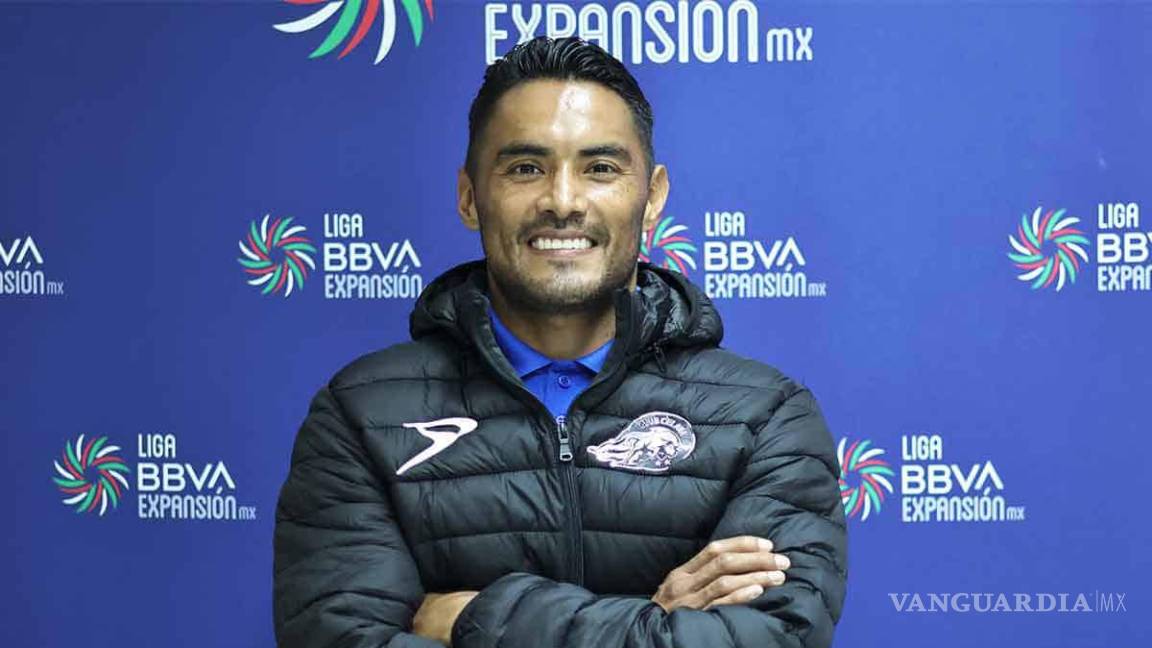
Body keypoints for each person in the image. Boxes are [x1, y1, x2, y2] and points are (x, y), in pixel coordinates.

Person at [273, 36, 846, 648]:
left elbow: (774, 639)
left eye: (600, 168)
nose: (563, 202)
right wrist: (653, 620)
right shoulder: (362, 416)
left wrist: (473, 619)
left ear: (653, 197)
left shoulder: (764, 417)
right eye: (526, 168)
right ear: (469, 196)